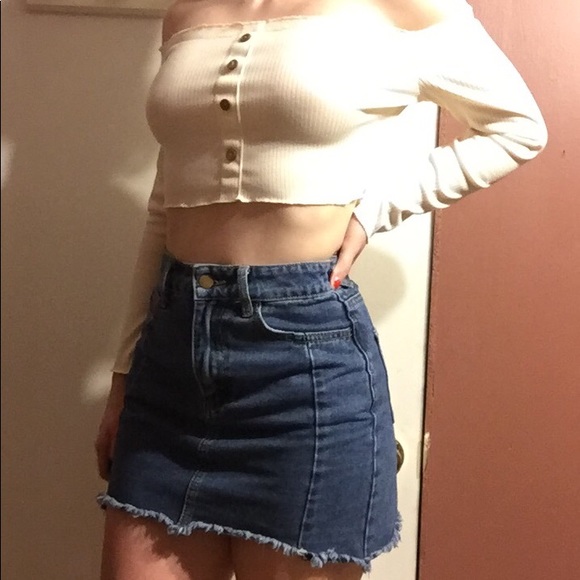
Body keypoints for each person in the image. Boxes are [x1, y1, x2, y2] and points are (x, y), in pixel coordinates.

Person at [94, 0, 547, 578]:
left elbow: (517, 127)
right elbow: (164, 206)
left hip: (305, 370)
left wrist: (377, 210)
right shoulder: (186, 13)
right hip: (170, 364)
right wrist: (123, 378)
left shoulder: (404, 6)